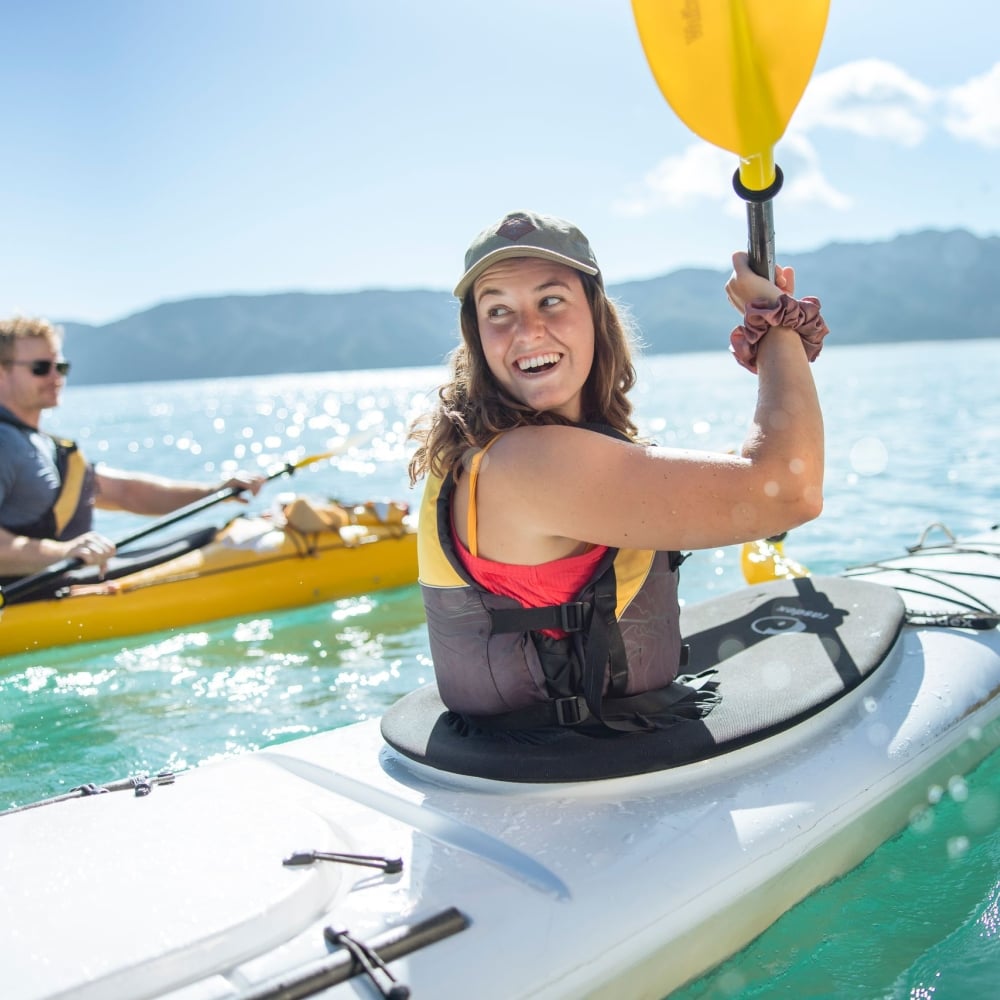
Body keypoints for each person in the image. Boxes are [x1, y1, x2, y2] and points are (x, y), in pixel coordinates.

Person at [408, 209, 827, 734]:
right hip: (570, 776)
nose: (527, 331)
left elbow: (722, 485)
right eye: (498, 311)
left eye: (551, 300)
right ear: (478, 336)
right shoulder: (529, 464)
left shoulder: (499, 447)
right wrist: (778, 329)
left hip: (558, 753)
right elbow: (792, 491)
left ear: (594, 315)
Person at [0, 315, 266, 581]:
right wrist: (63, 552)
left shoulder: (43, 445)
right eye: (41, 368)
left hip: (70, 584)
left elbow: (126, 493)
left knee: (210, 534)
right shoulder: (5, 443)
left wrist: (215, 492)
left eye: (61, 366)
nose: (56, 376)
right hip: (31, 597)